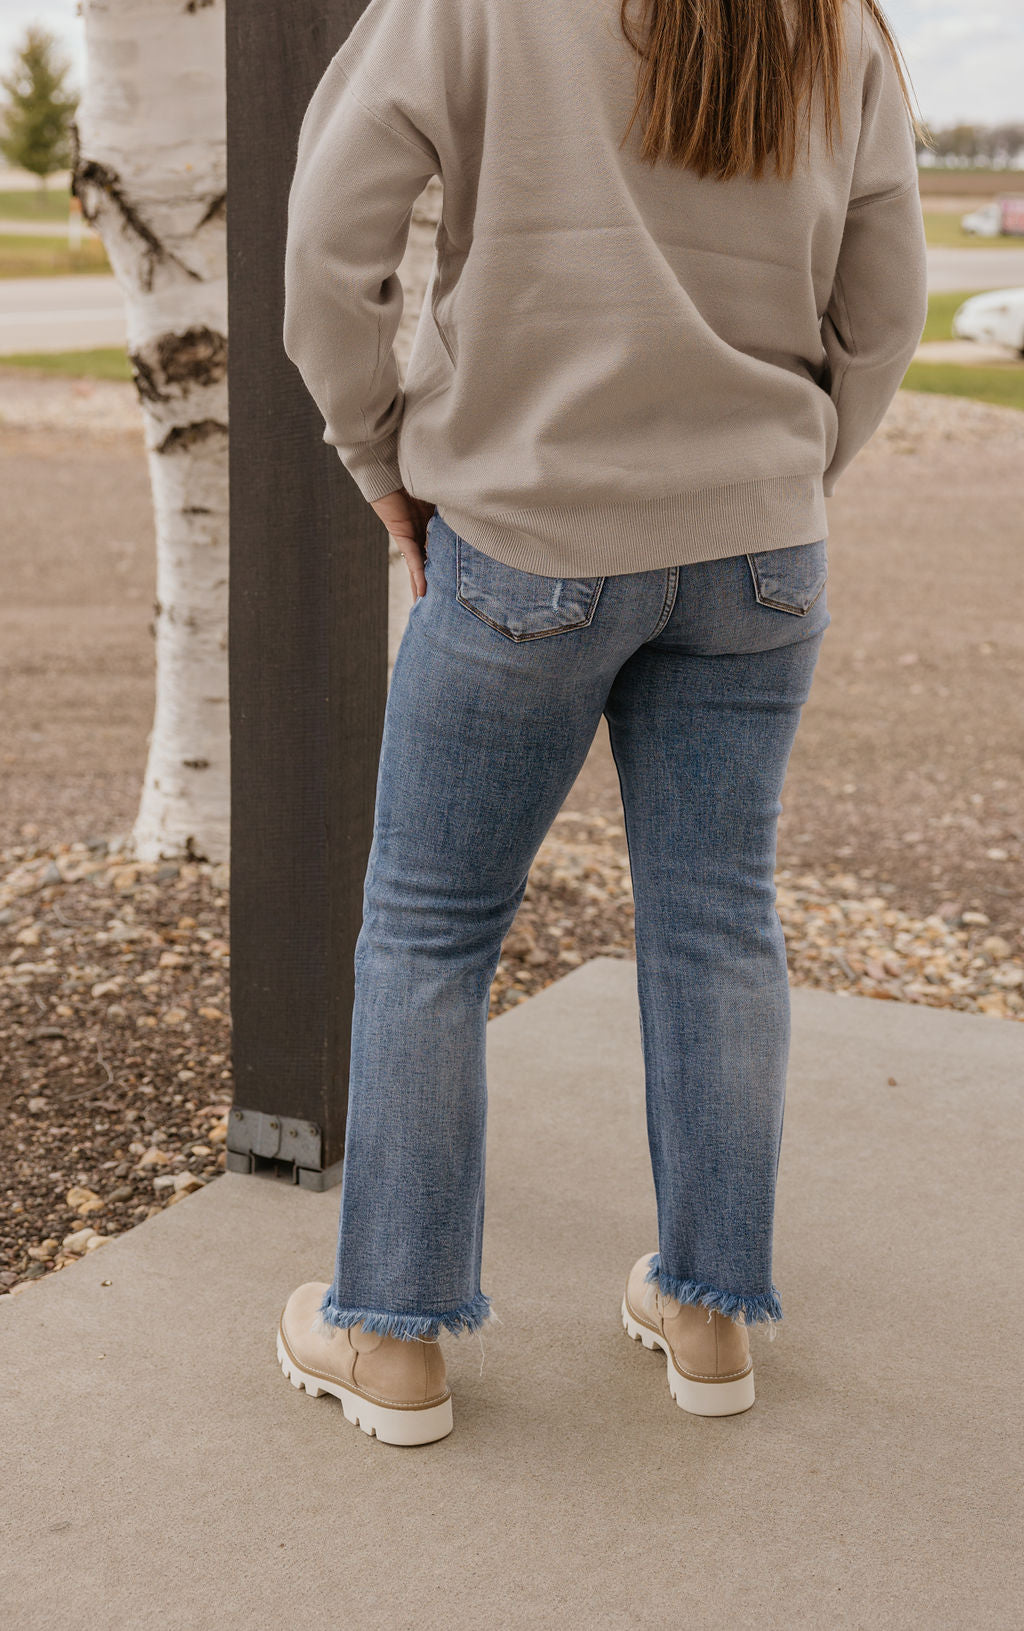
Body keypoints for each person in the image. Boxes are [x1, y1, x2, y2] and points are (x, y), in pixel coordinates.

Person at [276, 0, 928, 1446]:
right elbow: (887, 307)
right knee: (718, 922)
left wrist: (379, 454)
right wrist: (785, 474)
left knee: (430, 930)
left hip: (527, 533)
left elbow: (328, 244)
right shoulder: (831, 20)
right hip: (762, 550)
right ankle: (710, 1319)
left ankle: (393, 1338)